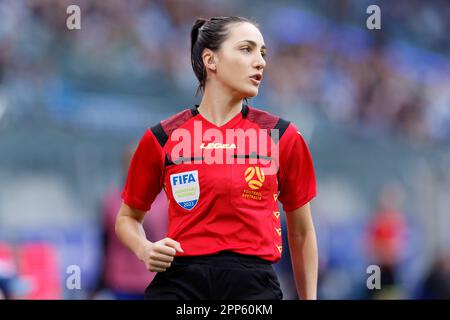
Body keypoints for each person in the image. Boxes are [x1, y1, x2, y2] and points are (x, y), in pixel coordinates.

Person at [115, 16, 318, 300]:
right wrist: (144, 248)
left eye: (262, 53)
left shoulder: (282, 136)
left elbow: (302, 233)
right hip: (180, 283)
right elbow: (127, 217)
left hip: (252, 289)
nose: (260, 62)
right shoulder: (162, 137)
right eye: (246, 49)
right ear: (211, 60)